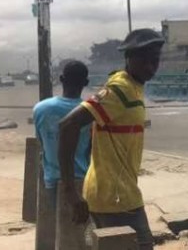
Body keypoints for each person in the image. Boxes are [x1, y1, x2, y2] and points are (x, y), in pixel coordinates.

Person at [59, 29, 165, 250]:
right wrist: (70, 190)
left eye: (154, 60)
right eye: (143, 60)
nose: (150, 66)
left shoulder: (134, 88)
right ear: (128, 59)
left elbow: (96, 133)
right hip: (116, 198)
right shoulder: (120, 89)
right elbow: (68, 125)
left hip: (114, 193)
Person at [33, 60, 91, 206]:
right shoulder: (89, 112)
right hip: (80, 179)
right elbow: (91, 148)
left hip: (51, 179)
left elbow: (41, 141)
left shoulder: (40, 109)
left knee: (55, 224)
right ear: (86, 82)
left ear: (61, 79)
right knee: (80, 227)